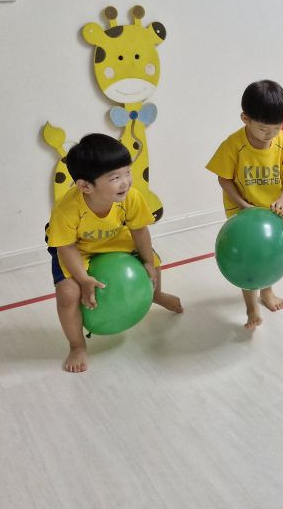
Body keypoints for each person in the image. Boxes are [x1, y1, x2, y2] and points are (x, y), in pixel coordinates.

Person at [46, 133, 183, 373]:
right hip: (78, 251)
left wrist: (147, 263)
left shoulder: (131, 197)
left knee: (153, 262)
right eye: (115, 178)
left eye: (127, 172)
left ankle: (156, 295)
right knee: (67, 293)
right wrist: (84, 279)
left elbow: (139, 230)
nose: (125, 182)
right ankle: (77, 345)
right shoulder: (67, 210)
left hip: (117, 242)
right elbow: (65, 247)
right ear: (85, 186)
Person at [206, 80, 283, 329]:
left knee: (269, 254)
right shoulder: (233, 145)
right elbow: (224, 178)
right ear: (245, 119)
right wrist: (242, 205)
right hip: (244, 214)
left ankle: (267, 291)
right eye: (263, 128)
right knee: (249, 259)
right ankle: (251, 308)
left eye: (277, 127)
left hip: (274, 212)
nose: (270, 134)